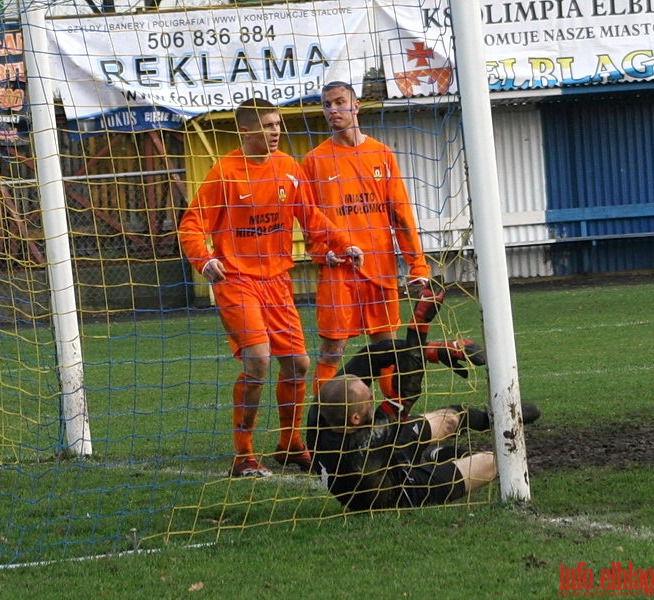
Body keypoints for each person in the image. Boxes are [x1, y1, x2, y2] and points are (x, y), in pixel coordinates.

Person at [178, 98, 365, 478]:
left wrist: (342, 243)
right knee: (258, 360)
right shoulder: (225, 174)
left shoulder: (288, 169)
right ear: (246, 131)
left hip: (277, 281)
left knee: (298, 364)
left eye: (277, 124)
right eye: (267, 125)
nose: (276, 131)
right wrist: (205, 259)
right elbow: (191, 225)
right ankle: (243, 453)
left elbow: (312, 217)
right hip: (237, 281)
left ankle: (290, 444)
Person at [305, 292, 540, 510]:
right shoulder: (365, 442)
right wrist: (419, 324)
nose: (372, 395)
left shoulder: (325, 407)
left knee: (447, 420)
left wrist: (431, 351)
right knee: (493, 463)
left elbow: (370, 356)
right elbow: (407, 390)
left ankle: (496, 420)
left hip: (381, 456)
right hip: (394, 490)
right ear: (355, 418)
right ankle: (436, 459)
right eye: (369, 399)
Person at [302, 81, 432, 412]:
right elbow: (308, 220)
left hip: (380, 269)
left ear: (356, 105)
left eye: (339, 102)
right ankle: (320, 427)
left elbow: (401, 215)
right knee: (333, 348)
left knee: (385, 347)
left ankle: (394, 422)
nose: (333, 110)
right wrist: (322, 253)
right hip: (338, 273)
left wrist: (418, 266)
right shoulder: (314, 162)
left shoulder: (381, 154)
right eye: (327, 105)